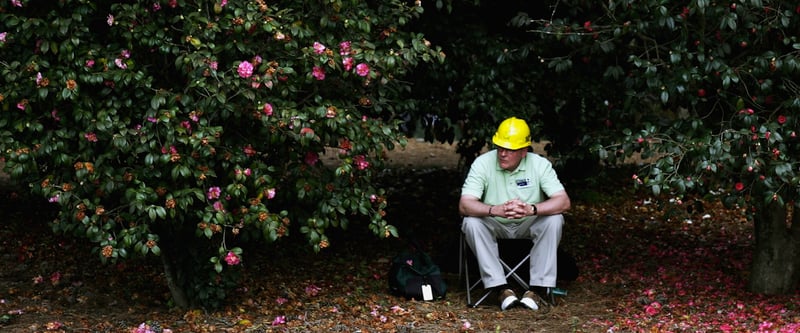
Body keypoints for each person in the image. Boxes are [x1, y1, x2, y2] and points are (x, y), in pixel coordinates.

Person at [459, 116, 571, 311]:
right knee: (471, 222)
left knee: (555, 219)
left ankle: (536, 289)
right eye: (499, 147)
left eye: (509, 149)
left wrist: (532, 209)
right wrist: (494, 210)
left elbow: (564, 201)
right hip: (495, 222)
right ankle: (500, 288)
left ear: (524, 151)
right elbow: (464, 205)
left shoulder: (539, 164)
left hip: (529, 222)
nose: (502, 153)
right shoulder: (482, 163)